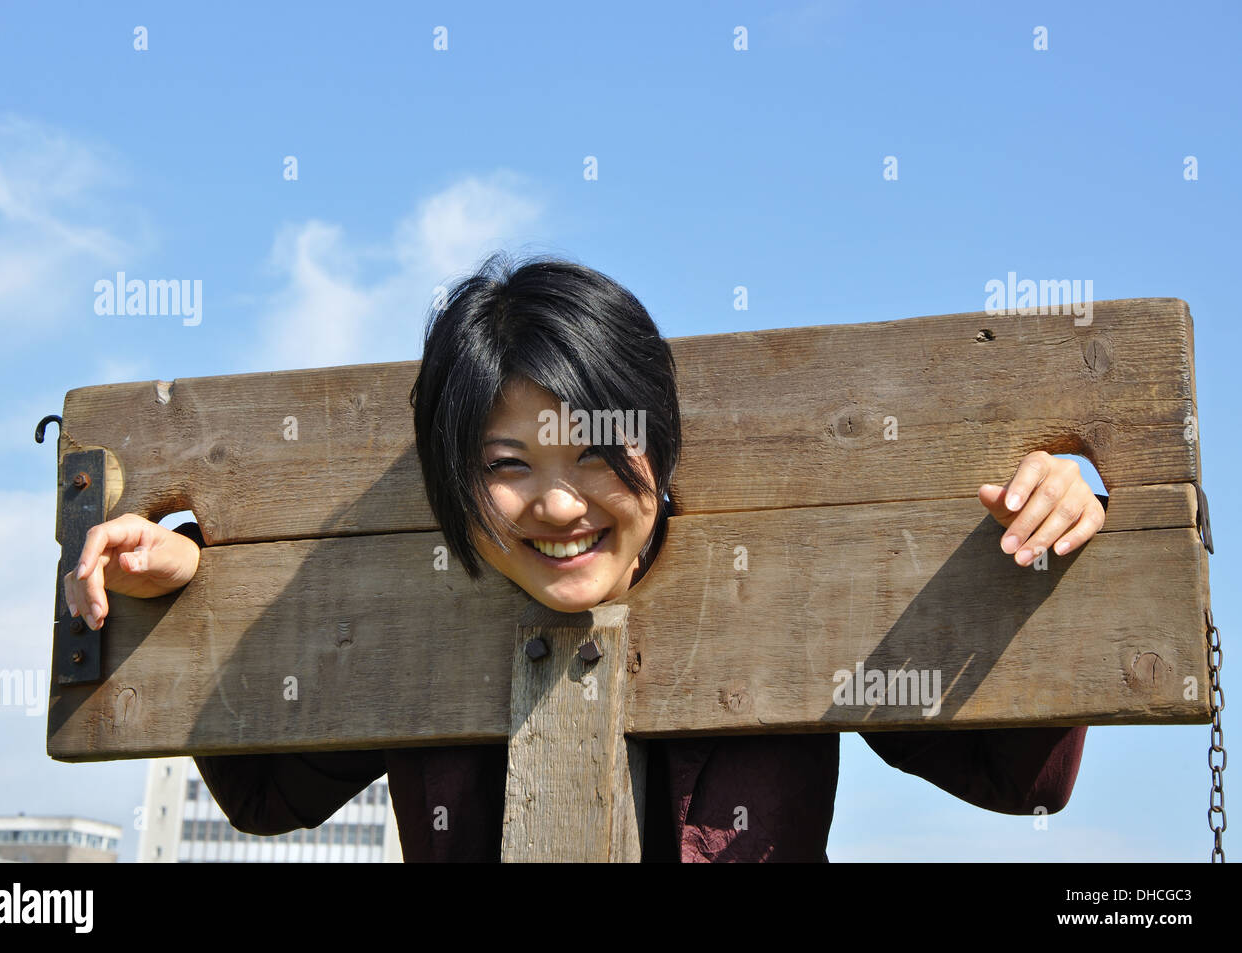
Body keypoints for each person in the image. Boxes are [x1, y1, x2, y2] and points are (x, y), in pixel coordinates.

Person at [62, 252, 1104, 861]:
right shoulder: (400, 625)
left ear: (660, 443)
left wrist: (1046, 536)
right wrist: (189, 585)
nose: (558, 501)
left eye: (596, 450)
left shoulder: (802, 604)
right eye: (506, 463)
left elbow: (1020, 776)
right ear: (449, 484)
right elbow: (267, 796)